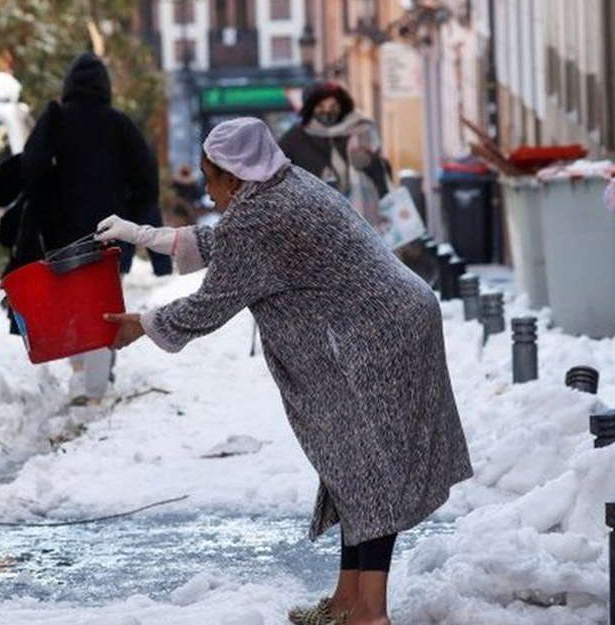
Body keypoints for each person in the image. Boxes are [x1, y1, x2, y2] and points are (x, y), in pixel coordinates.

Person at [97, 118, 472, 625]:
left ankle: (371, 613)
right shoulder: (284, 184)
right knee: (351, 467)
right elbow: (226, 243)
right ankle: (347, 601)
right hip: (389, 321)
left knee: (368, 473)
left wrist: (142, 325)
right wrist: (142, 235)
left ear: (234, 177)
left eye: (209, 178)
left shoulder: (259, 217)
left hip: (378, 339)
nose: (207, 190)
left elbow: (212, 303)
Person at [0, 51, 159, 404]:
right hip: (111, 237)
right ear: (105, 86)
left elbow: (32, 165)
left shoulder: (57, 120)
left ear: (68, 85)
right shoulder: (120, 124)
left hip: (62, 235)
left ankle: (81, 377)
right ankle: (96, 390)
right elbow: (146, 178)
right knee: (105, 310)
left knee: (73, 307)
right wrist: (145, 229)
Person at [278, 81, 393, 227]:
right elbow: (281, 178)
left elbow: (382, 172)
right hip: (317, 219)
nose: (327, 112)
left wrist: (369, 163)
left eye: (333, 106)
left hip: (363, 216)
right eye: (320, 107)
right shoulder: (294, 138)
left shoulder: (360, 129)